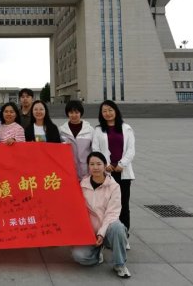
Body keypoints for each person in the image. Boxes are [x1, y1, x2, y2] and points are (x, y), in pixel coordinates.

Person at [71, 152, 131, 278]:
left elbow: (112, 214)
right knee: (79, 256)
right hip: (90, 232)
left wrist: (101, 233)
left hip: (108, 229)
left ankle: (120, 264)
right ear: (88, 166)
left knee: (118, 227)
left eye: (99, 164)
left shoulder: (114, 187)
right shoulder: (82, 185)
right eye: (92, 164)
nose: (95, 167)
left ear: (104, 165)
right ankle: (98, 254)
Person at [92, 100, 135, 244]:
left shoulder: (126, 128)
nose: (108, 113)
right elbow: (95, 149)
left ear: (116, 111)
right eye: (104, 111)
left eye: (110, 110)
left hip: (123, 173)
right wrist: (106, 164)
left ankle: (123, 237)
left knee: (123, 205)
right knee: (106, 205)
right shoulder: (98, 130)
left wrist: (122, 164)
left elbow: (131, 150)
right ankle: (105, 235)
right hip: (106, 173)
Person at [59, 100, 94, 180]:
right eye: (71, 112)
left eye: (76, 112)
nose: (74, 115)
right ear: (67, 113)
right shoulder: (61, 130)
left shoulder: (90, 130)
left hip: (86, 171)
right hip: (68, 171)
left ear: (81, 113)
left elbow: (94, 150)